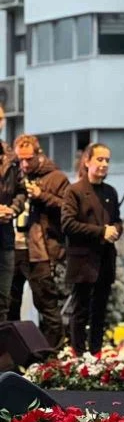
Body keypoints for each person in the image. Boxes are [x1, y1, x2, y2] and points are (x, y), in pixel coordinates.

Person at [7, 135, 70, 347]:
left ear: (39, 155)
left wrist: (42, 195)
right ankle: (14, 357)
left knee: (46, 304)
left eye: (29, 159)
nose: (25, 164)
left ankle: (51, 355)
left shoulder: (56, 177)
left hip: (40, 251)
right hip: (12, 247)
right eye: (20, 160)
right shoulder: (13, 175)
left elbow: (67, 208)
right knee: (9, 305)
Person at [61, 143, 122, 354]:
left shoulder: (110, 192)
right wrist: (101, 231)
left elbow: (117, 221)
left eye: (107, 160)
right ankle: (78, 355)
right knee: (80, 311)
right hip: (83, 261)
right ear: (87, 161)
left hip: (105, 259)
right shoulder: (74, 191)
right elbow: (68, 225)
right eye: (99, 159)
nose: (104, 164)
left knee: (100, 312)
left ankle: (96, 353)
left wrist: (115, 230)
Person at [0, 105, 26, 321]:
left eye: (0, 118)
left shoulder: (11, 156)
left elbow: (21, 191)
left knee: (4, 299)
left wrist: (12, 209)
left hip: (6, 236)